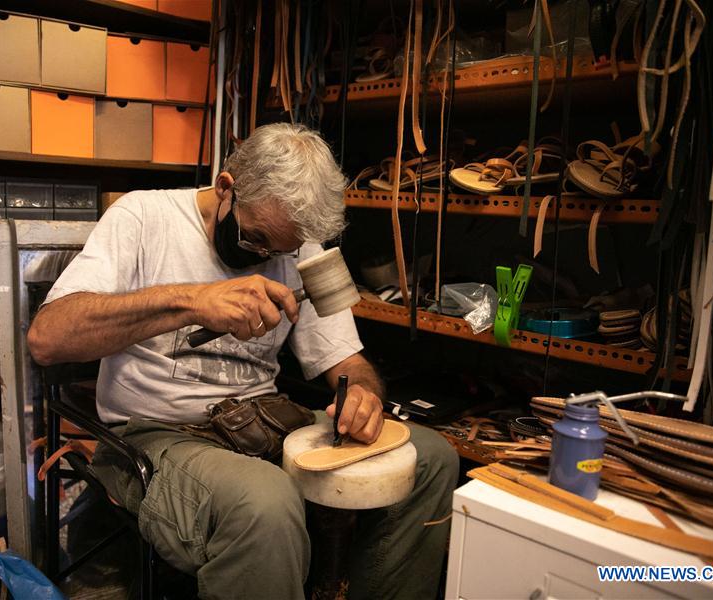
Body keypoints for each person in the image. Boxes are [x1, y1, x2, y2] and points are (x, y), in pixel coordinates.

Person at [28, 123, 460, 599]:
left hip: (265, 422)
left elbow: (347, 361)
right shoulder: (144, 216)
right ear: (226, 187)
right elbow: (47, 338)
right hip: (158, 433)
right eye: (256, 240)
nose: (266, 257)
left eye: (281, 250)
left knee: (432, 459)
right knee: (264, 503)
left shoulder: (299, 245)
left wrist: (363, 394)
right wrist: (192, 301)